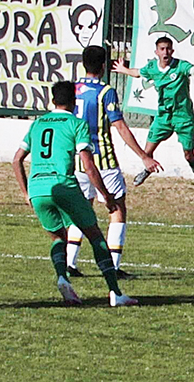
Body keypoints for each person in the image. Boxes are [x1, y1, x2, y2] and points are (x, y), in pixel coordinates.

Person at [12, 81, 137, 306]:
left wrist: (25, 192)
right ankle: (115, 293)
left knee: (58, 237)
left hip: (38, 188)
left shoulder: (37, 124)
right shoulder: (77, 124)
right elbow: (88, 165)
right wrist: (106, 195)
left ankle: (62, 277)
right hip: (64, 185)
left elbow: (17, 159)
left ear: (52, 100)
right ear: (73, 102)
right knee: (96, 236)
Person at [65, 45, 162, 279]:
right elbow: (119, 125)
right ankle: (114, 267)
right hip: (102, 160)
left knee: (82, 208)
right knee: (117, 208)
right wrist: (143, 155)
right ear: (103, 66)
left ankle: (70, 263)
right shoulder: (105, 91)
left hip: (77, 160)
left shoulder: (72, 89)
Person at [112, 36, 194, 191]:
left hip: (183, 116)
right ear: (156, 52)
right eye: (162, 49)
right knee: (147, 151)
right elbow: (138, 73)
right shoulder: (152, 67)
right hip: (163, 116)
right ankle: (147, 169)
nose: (165, 52)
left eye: (168, 49)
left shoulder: (180, 66)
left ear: (172, 51)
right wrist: (124, 70)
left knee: (188, 154)